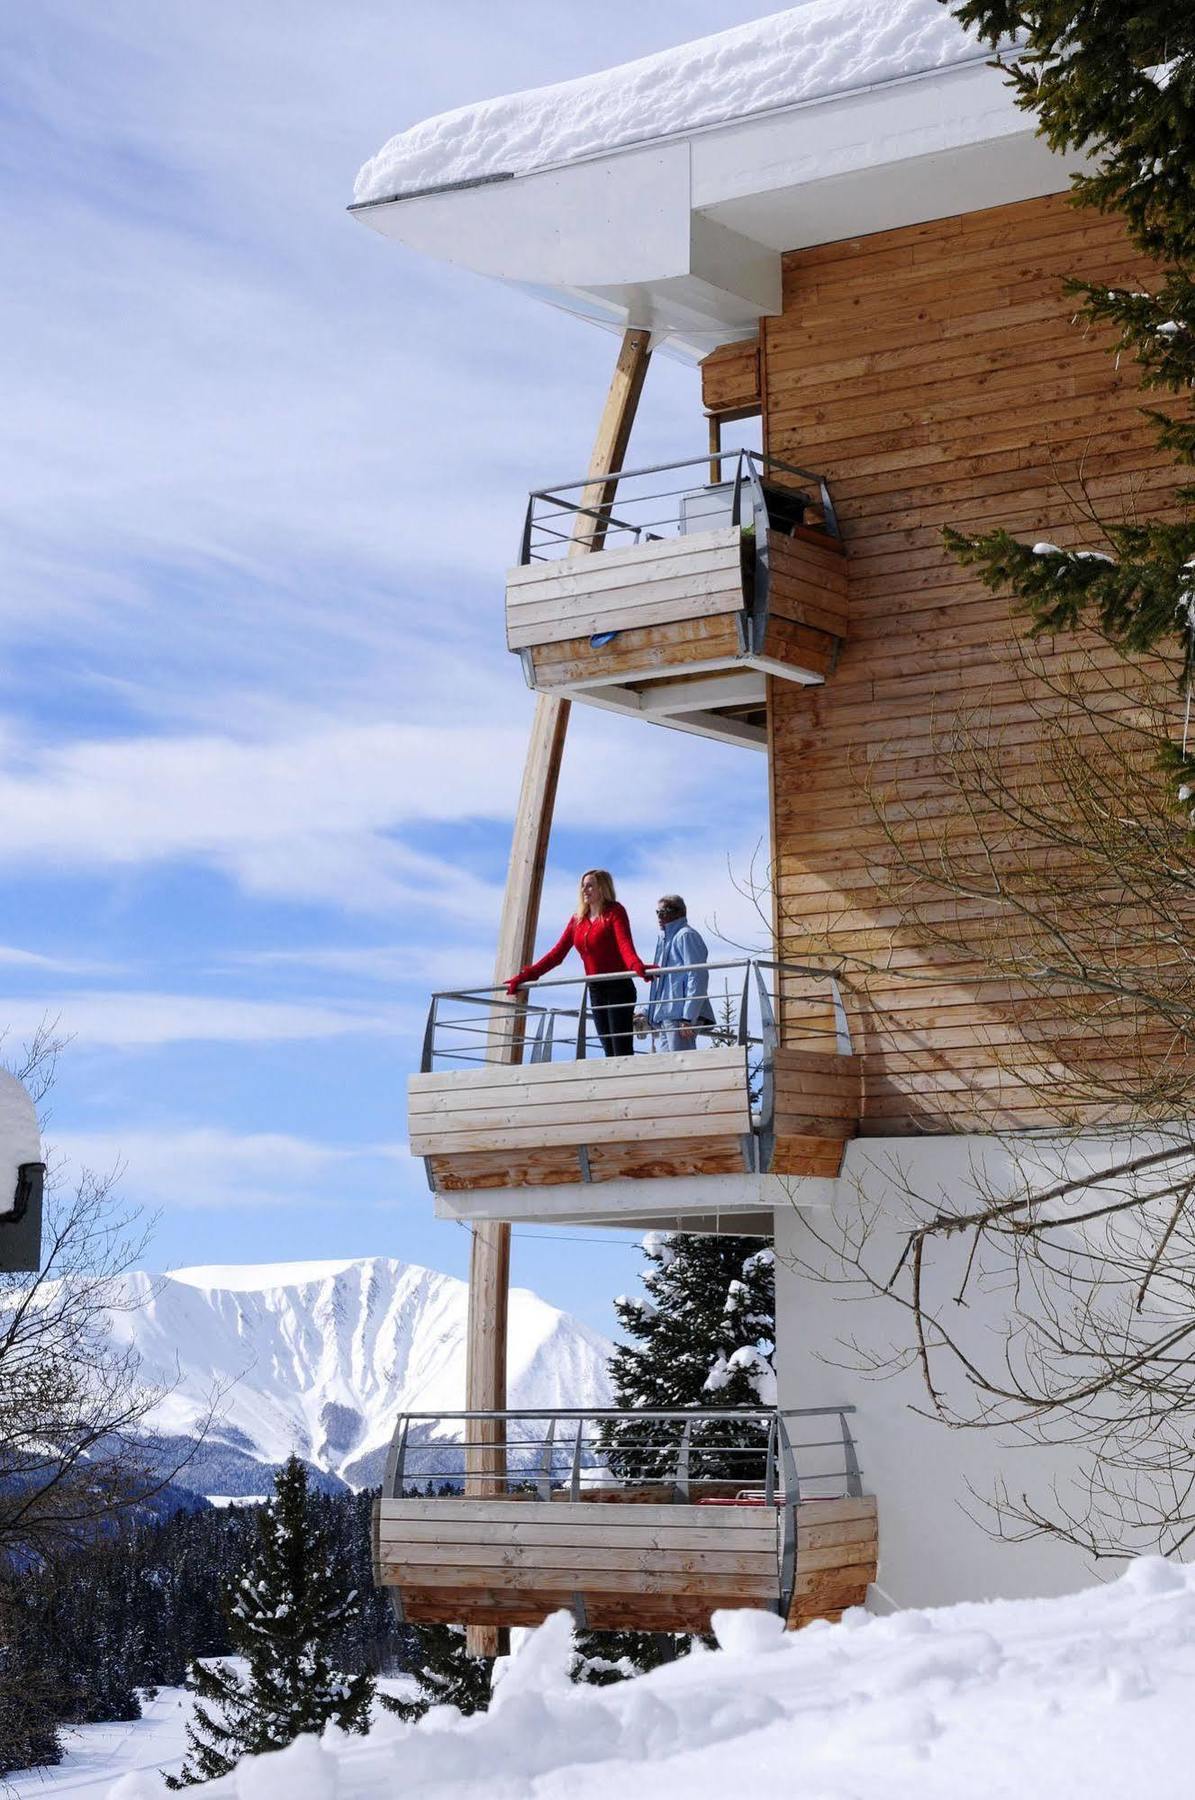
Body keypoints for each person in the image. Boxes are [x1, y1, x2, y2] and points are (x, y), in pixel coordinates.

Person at [505, 869, 650, 1059]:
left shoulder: (614, 912)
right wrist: (526, 975)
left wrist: (637, 966)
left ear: (602, 888)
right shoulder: (577, 920)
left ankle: (628, 1086)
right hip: (596, 989)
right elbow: (556, 955)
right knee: (608, 1047)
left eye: (590, 885)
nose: (585, 890)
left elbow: (625, 946)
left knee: (620, 1048)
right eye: (583, 885)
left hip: (619, 986)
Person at [647, 894, 715, 1052]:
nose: (658, 916)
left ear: (678, 912)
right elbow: (664, 984)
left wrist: (688, 1017)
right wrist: (648, 1012)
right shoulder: (666, 939)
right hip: (666, 1015)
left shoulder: (685, 935)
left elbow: (697, 975)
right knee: (668, 1069)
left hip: (679, 1015)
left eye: (662, 911)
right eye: (657, 912)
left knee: (682, 1065)